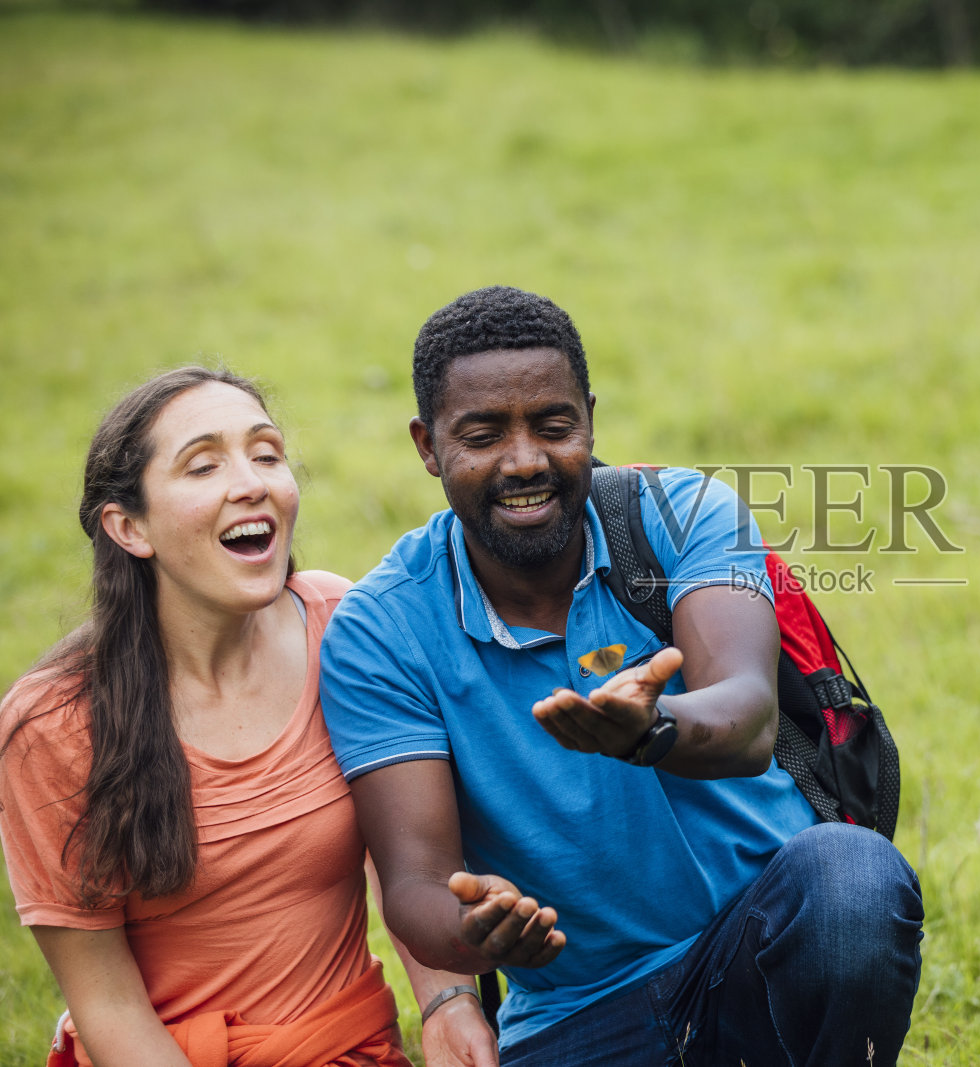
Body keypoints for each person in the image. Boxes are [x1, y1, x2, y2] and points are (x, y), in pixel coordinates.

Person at [318, 285, 923, 1066]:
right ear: (428, 446)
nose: (526, 460)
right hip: (576, 1014)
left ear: (590, 419)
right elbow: (415, 878)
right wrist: (470, 932)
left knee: (854, 875)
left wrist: (654, 728)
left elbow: (747, 717)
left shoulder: (688, 515)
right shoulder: (382, 626)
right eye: (482, 434)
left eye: (554, 424)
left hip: (757, 946)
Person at [0, 367, 498, 1067]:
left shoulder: (338, 624)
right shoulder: (51, 722)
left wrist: (448, 1001)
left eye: (266, 453)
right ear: (128, 526)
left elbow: (401, 852)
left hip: (350, 1048)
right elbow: (107, 1004)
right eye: (203, 465)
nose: (252, 482)